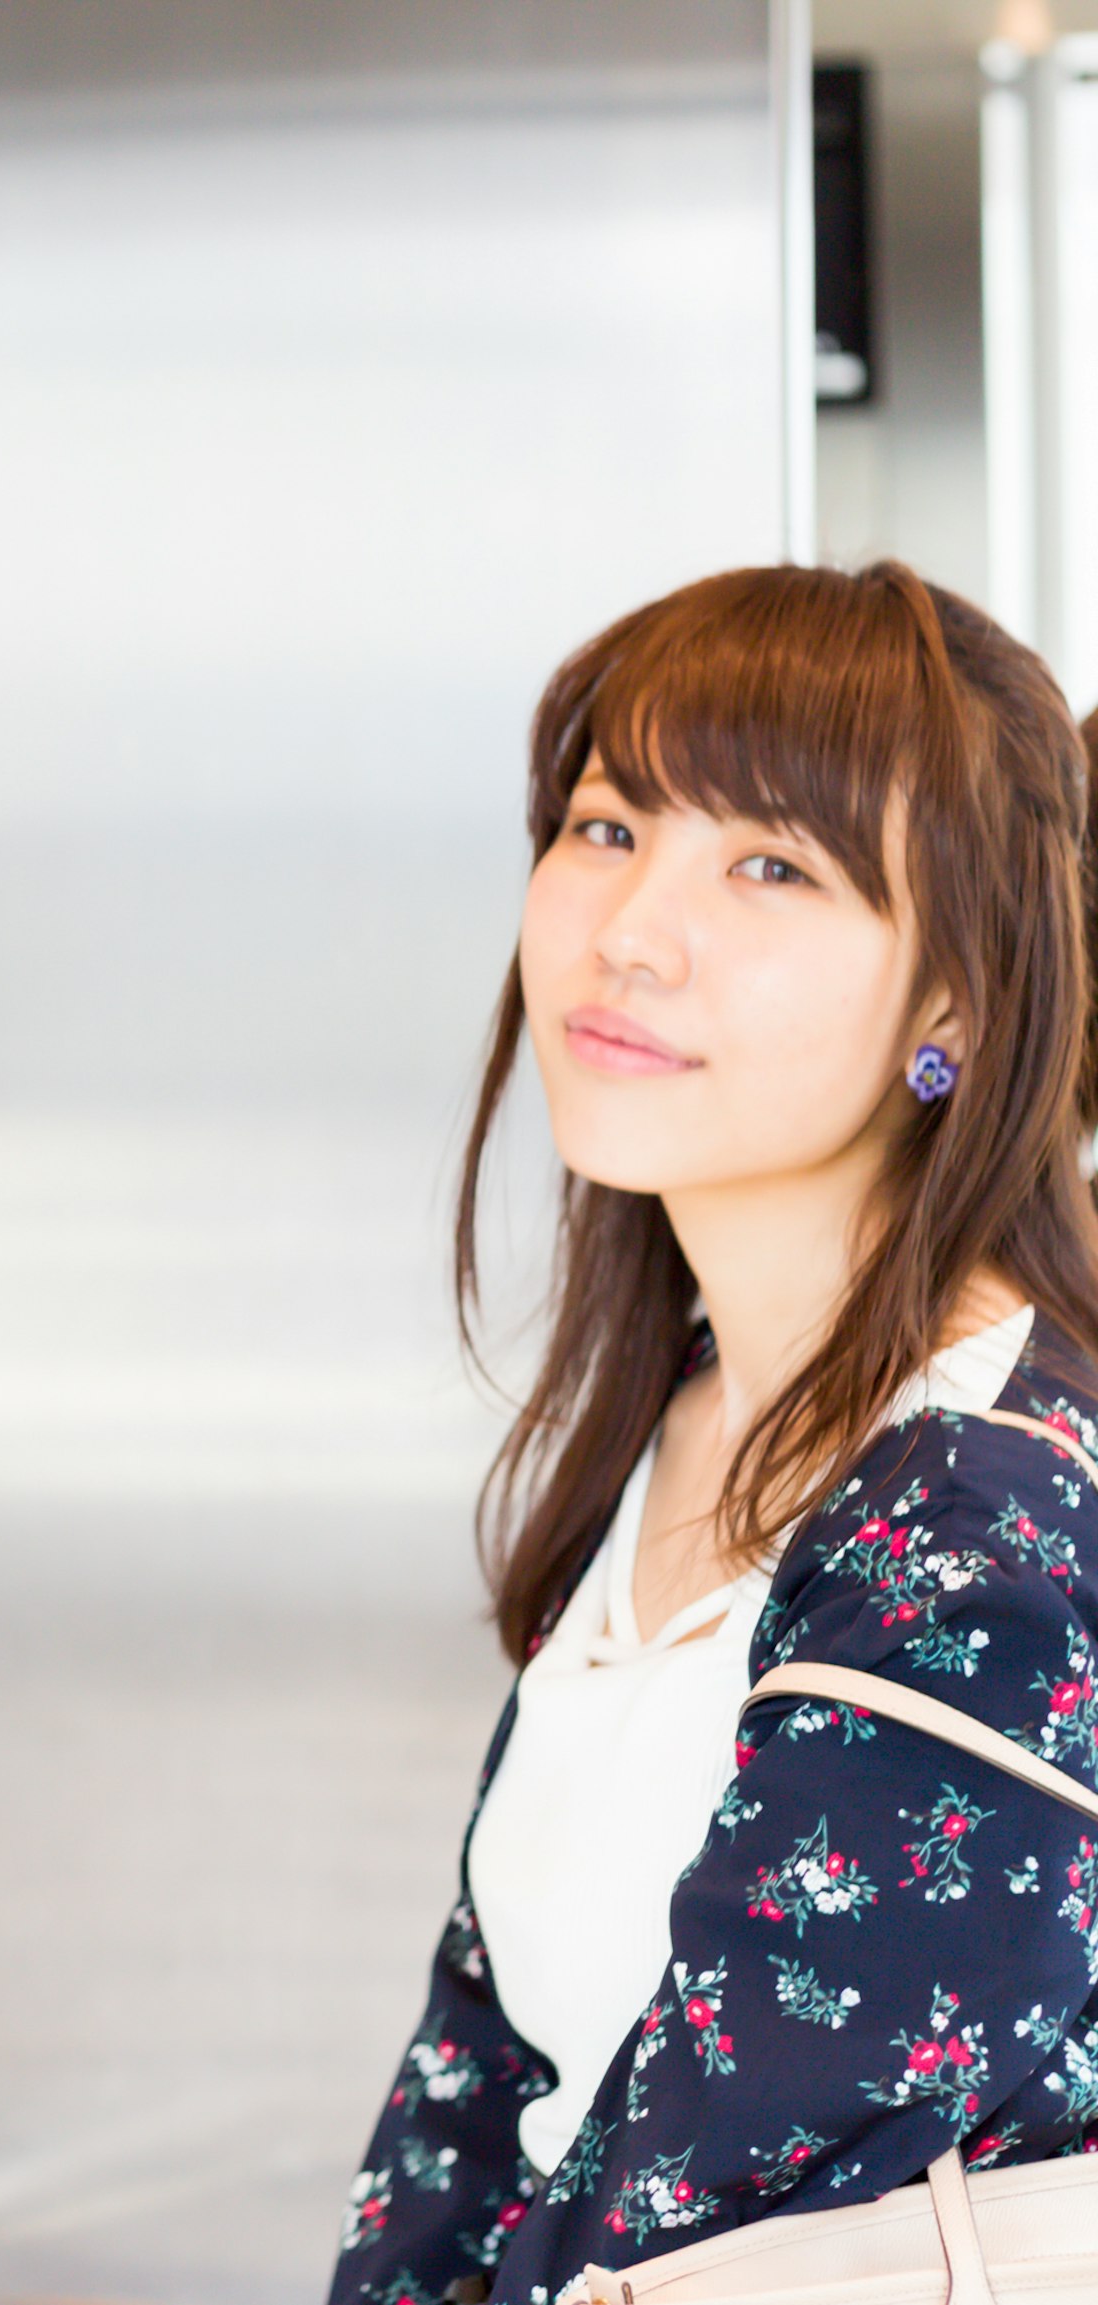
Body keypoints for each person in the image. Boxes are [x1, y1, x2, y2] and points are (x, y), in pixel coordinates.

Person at [326, 562, 1098, 2305]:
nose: (631, 930)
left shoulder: (981, 1524)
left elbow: (691, 2217)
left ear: (957, 1003)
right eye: (607, 826)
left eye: (770, 866)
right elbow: (480, 2090)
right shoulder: (679, 1413)